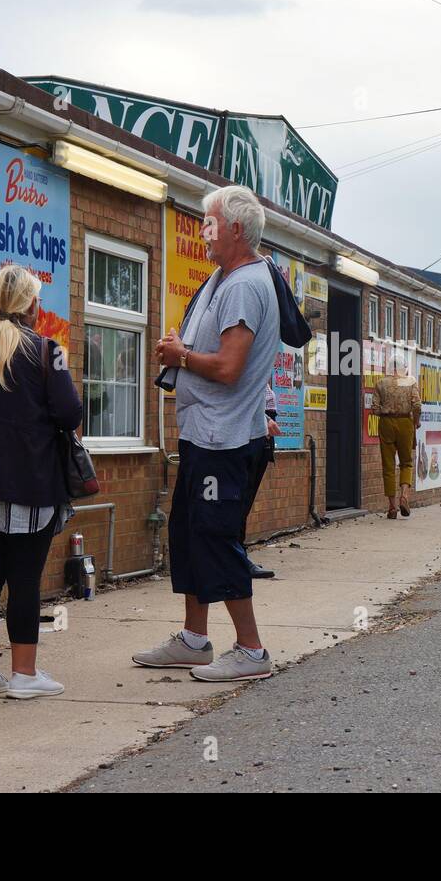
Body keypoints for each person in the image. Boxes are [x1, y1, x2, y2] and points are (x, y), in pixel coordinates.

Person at [133, 185, 280, 682]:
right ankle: (195, 638)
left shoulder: (242, 284)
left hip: (226, 438)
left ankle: (252, 649)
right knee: (189, 534)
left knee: (216, 537)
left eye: (210, 223)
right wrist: (183, 347)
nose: (203, 231)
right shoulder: (224, 278)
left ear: (236, 230)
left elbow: (230, 367)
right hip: (206, 435)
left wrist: (181, 356)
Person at [0, 265, 83, 699]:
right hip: (30, 478)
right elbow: (69, 415)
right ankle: (24, 675)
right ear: (31, 304)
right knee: (24, 578)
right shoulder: (48, 351)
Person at [374, 348, 421, 519]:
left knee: (388, 465)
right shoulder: (410, 381)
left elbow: (375, 408)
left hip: (386, 423)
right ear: (404, 367)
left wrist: (386, 412)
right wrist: (416, 420)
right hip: (405, 423)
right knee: (406, 462)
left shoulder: (381, 383)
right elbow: (417, 405)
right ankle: (404, 496)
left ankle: (392, 507)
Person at [241, 382, 278, 579]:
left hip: (262, 439)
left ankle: (238, 556)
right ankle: (238, 558)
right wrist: (264, 418)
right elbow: (239, 396)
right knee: (240, 502)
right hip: (249, 437)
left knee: (245, 502)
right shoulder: (243, 359)